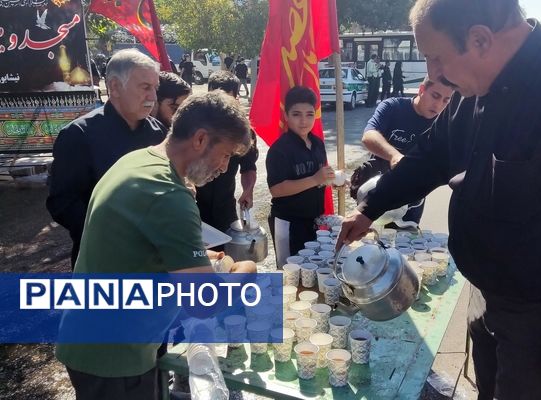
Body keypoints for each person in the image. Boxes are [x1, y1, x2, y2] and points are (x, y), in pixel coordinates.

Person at [337, 1, 541, 399]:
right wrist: (369, 209)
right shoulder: (471, 86)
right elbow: (432, 156)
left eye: (435, 58)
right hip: (485, 296)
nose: (433, 75)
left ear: (480, 39)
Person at [55, 91, 256, 400]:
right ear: (200, 139)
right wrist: (246, 270)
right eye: (226, 154)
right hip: (115, 357)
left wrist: (197, 257)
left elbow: (138, 243)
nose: (224, 167)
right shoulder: (168, 194)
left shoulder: (139, 160)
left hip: (89, 336)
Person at [47, 48, 166, 268]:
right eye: (145, 87)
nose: (153, 97)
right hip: (102, 259)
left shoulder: (157, 133)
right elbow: (62, 202)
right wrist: (112, 233)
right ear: (114, 87)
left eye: (155, 88)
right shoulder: (79, 135)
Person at [352, 76, 452, 225]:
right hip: (375, 193)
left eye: (446, 100)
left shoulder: (442, 124)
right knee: (371, 244)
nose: (438, 105)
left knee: (406, 245)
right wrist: (394, 156)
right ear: (421, 90)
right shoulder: (393, 107)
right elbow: (368, 136)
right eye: (435, 96)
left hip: (412, 202)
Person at [266, 86, 335, 267]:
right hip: (289, 223)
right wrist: (315, 180)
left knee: (312, 269)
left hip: (314, 221)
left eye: (309, 114)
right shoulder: (279, 149)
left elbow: (319, 178)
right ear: (286, 116)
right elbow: (277, 189)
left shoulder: (318, 144)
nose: (304, 121)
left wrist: (329, 180)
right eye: (297, 114)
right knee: (290, 272)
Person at [195, 71, 258, 247]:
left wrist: (248, 190)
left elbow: (248, 167)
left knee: (227, 259)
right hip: (193, 209)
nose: (221, 107)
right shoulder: (193, 129)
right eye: (216, 99)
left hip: (225, 209)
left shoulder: (244, 133)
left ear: (236, 99)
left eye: (227, 100)